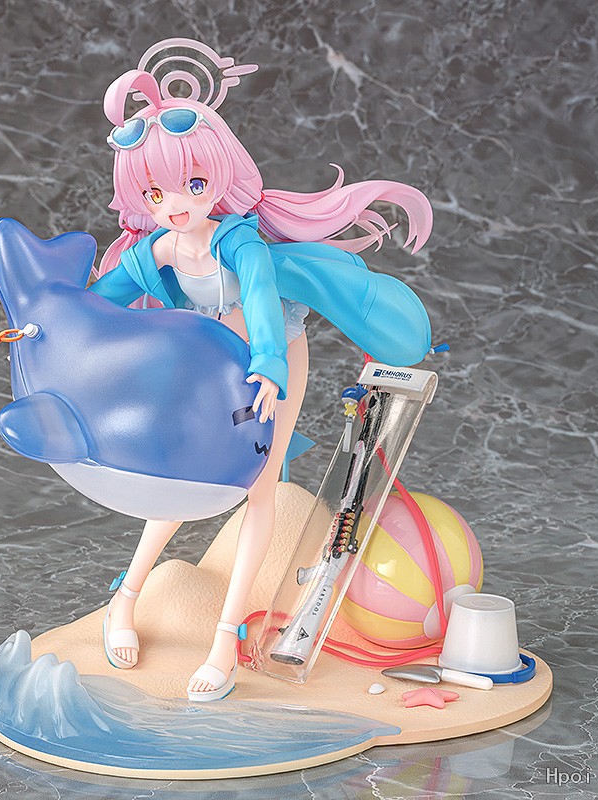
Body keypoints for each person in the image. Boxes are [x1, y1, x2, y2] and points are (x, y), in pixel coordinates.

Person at [88, 42, 434, 702]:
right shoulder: (157, 249)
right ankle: (124, 597)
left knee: (260, 485)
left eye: (191, 186)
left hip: (270, 364)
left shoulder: (238, 241)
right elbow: (99, 304)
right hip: (207, 362)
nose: (175, 204)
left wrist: (269, 366)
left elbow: (262, 303)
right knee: (181, 477)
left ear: (217, 177)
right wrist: (52, 318)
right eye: (156, 193)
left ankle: (225, 637)